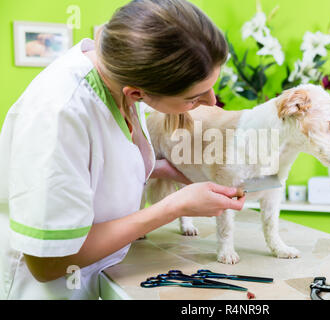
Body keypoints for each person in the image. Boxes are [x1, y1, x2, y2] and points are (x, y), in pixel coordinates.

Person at [0, 0, 245, 299]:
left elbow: (99, 165)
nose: (212, 101)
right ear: (138, 93)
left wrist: (168, 171)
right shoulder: (60, 114)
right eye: (194, 98)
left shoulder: (122, 75)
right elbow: (47, 264)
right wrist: (174, 206)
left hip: (98, 276)